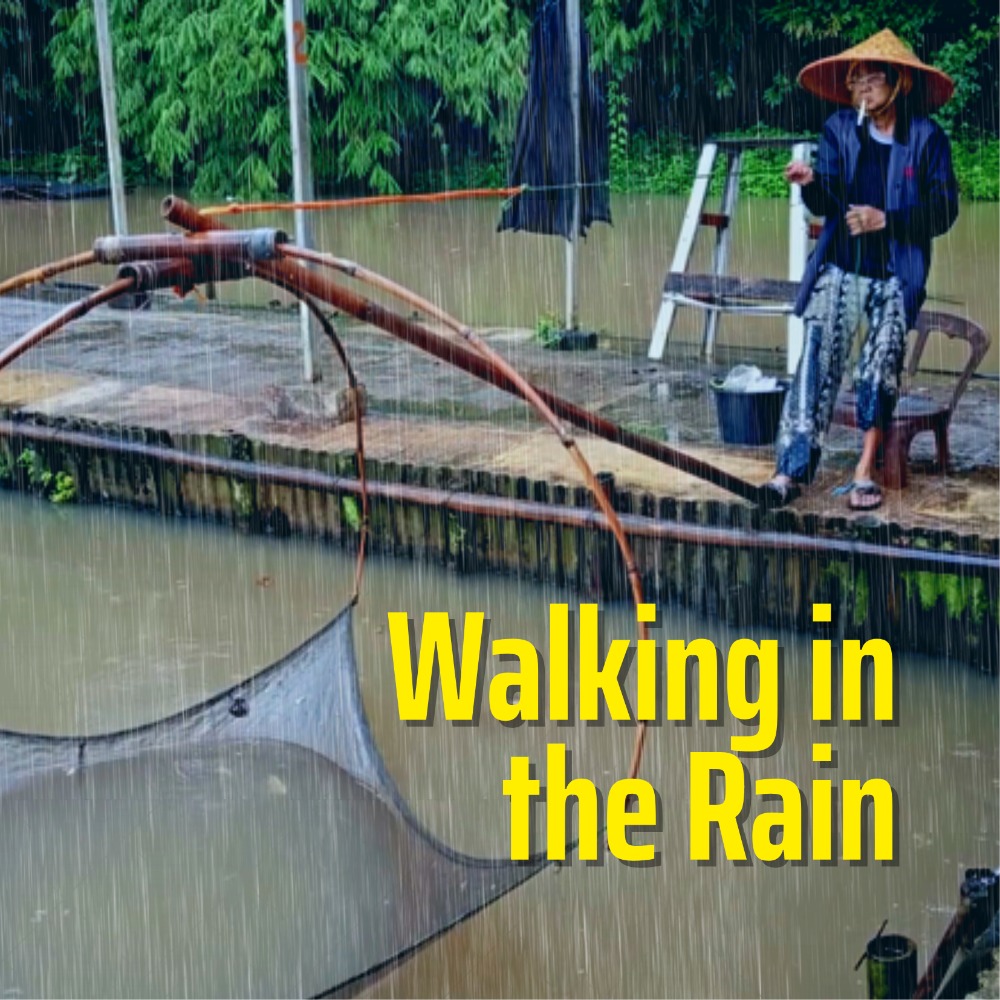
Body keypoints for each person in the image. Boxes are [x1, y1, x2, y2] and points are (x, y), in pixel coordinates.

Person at [759, 29, 958, 511]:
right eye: (856, 81)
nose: (862, 90)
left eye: (872, 79)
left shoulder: (927, 138)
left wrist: (886, 219)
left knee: (880, 365)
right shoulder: (838, 129)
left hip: (896, 272)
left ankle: (864, 471)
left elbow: (944, 210)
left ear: (899, 84)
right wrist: (810, 185)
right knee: (817, 359)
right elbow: (828, 197)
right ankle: (791, 470)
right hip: (841, 265)